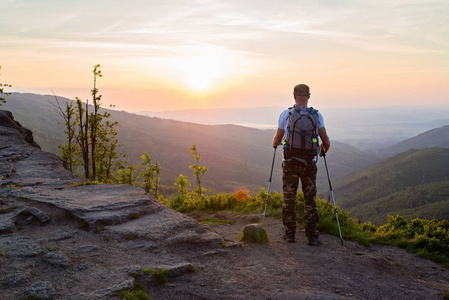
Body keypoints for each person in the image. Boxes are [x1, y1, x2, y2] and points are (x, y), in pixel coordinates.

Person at [272, 84, 331, 246]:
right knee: (309, 199)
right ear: (309, 96)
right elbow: (326, 141)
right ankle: (312, 236)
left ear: (294, 96)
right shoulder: (317, 115)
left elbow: (277, 140)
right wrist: (322, 150)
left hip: (290, 162)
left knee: (289, 198)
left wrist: (275, 143)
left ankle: (290, 234)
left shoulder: (286, 114)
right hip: (309, 164)